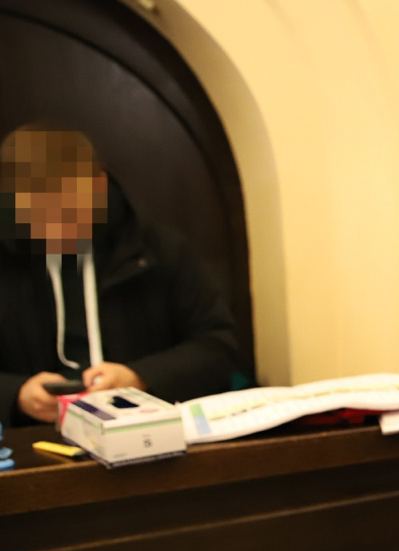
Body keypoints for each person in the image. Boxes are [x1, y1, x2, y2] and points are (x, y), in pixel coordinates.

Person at [0, 124, 239, 426]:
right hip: (30, 439)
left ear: (98, 186)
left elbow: (218, 348)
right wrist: (16, 394)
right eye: (40, 213)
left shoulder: (159, 251)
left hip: (147, 428)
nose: (56, 225)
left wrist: (138, 377)